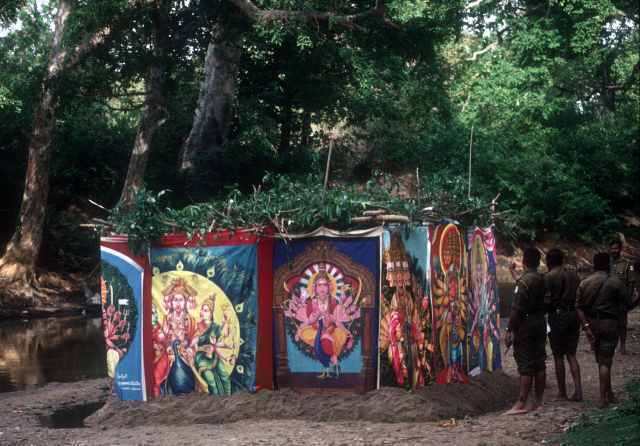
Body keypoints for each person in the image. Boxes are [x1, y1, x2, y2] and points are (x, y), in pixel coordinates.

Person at [575, 252, 639, 408]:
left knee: (601, 360)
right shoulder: (616, 283)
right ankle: (603, 398)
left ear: (594, 265)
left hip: (592, 324)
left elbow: (578, 306)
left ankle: (609, 393)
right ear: (608, 265)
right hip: (610, 324)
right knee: (605, 362)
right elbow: (627, 305)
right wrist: (637, 299)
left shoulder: (585, 283)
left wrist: (587, 327)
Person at [504, 248, 547, 415]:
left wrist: (509, 329)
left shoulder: (525, 282)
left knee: (525, 364)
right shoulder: (541, 278)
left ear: (524, 261)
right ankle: (538, 401)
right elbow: (523, 284)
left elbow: (517, 308)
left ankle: (521, 403)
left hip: (526, 325)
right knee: (539, 361)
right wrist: (513, 273)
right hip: (540, 322)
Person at [545, 249, 582, 401]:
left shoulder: (549, 276)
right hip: (574, 315)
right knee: (571, 354)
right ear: (562, 260)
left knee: (558, 355)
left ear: (549, 261)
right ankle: (578, 390)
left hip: (558, 316)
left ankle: (562, 392)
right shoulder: (574, 275)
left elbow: (546, 301)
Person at [609, 240, 633, 354]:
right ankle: (610, 345)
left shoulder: (628, 264)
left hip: (621, 299)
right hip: (607, 299)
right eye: (612, 248)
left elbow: (631, 283)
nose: (614, 251)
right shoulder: (607, 264)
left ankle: (622, 346)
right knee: (608, 323)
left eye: (616, 248)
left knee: (622, 324)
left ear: (620, 249)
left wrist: (629, 299)